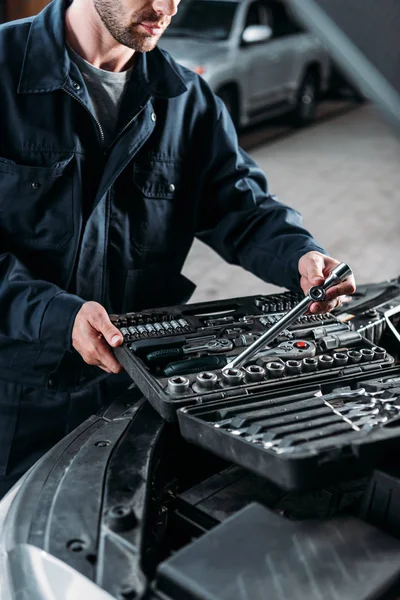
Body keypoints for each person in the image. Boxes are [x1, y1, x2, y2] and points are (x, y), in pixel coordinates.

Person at [0, 0, 355, 497]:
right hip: (16, 395)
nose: (166, 7)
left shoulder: (186, 98)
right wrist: (58, 318)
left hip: (135, 392)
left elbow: (243, 209)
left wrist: (300, 255)